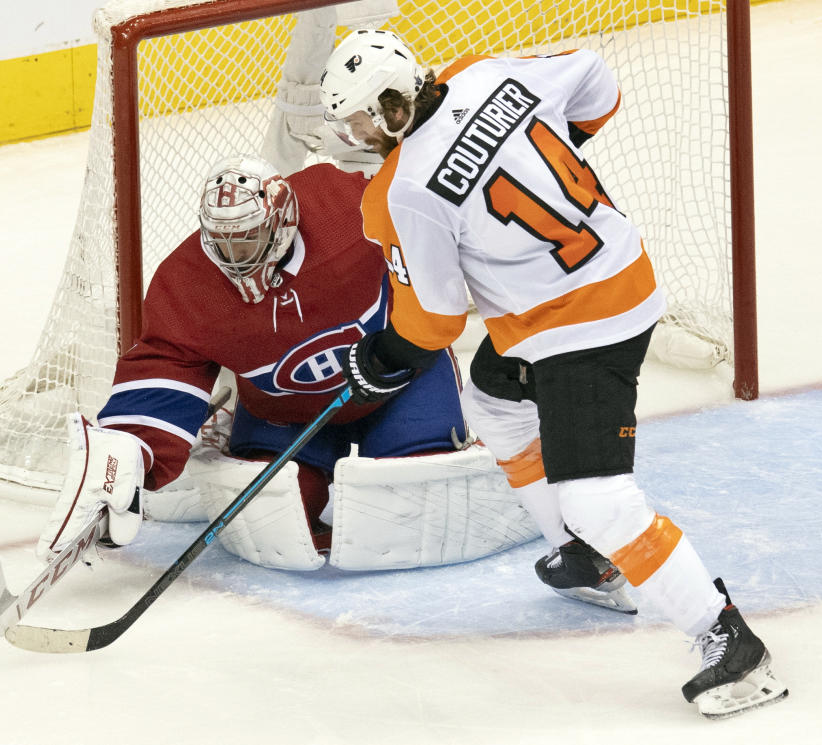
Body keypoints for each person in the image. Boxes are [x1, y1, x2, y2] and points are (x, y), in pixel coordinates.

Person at [319, 29, 787, 717]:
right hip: (614, 273)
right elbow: (598, 80)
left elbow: (438, 319)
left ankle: (732, 645)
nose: (355, 134)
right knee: (494, 401)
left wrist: (381, 359)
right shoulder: (483, 73)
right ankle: (582, 556)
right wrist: (537, 157)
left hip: (578, 328)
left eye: (361, 117)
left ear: (392, 104)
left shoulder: (401, 190)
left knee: (598, 496)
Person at [36, 154, 537, 574]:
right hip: (285, 412)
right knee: (269, 521)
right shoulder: (187, 283)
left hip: (401, 381)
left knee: (412, 505)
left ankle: (522, 459)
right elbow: (166, 365)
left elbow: (434, 221)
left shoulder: (347, 208)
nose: (234, 254)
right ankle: (232, 431)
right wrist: (128, 452)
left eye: (247, 238)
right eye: (223, 240)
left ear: (282, 222)